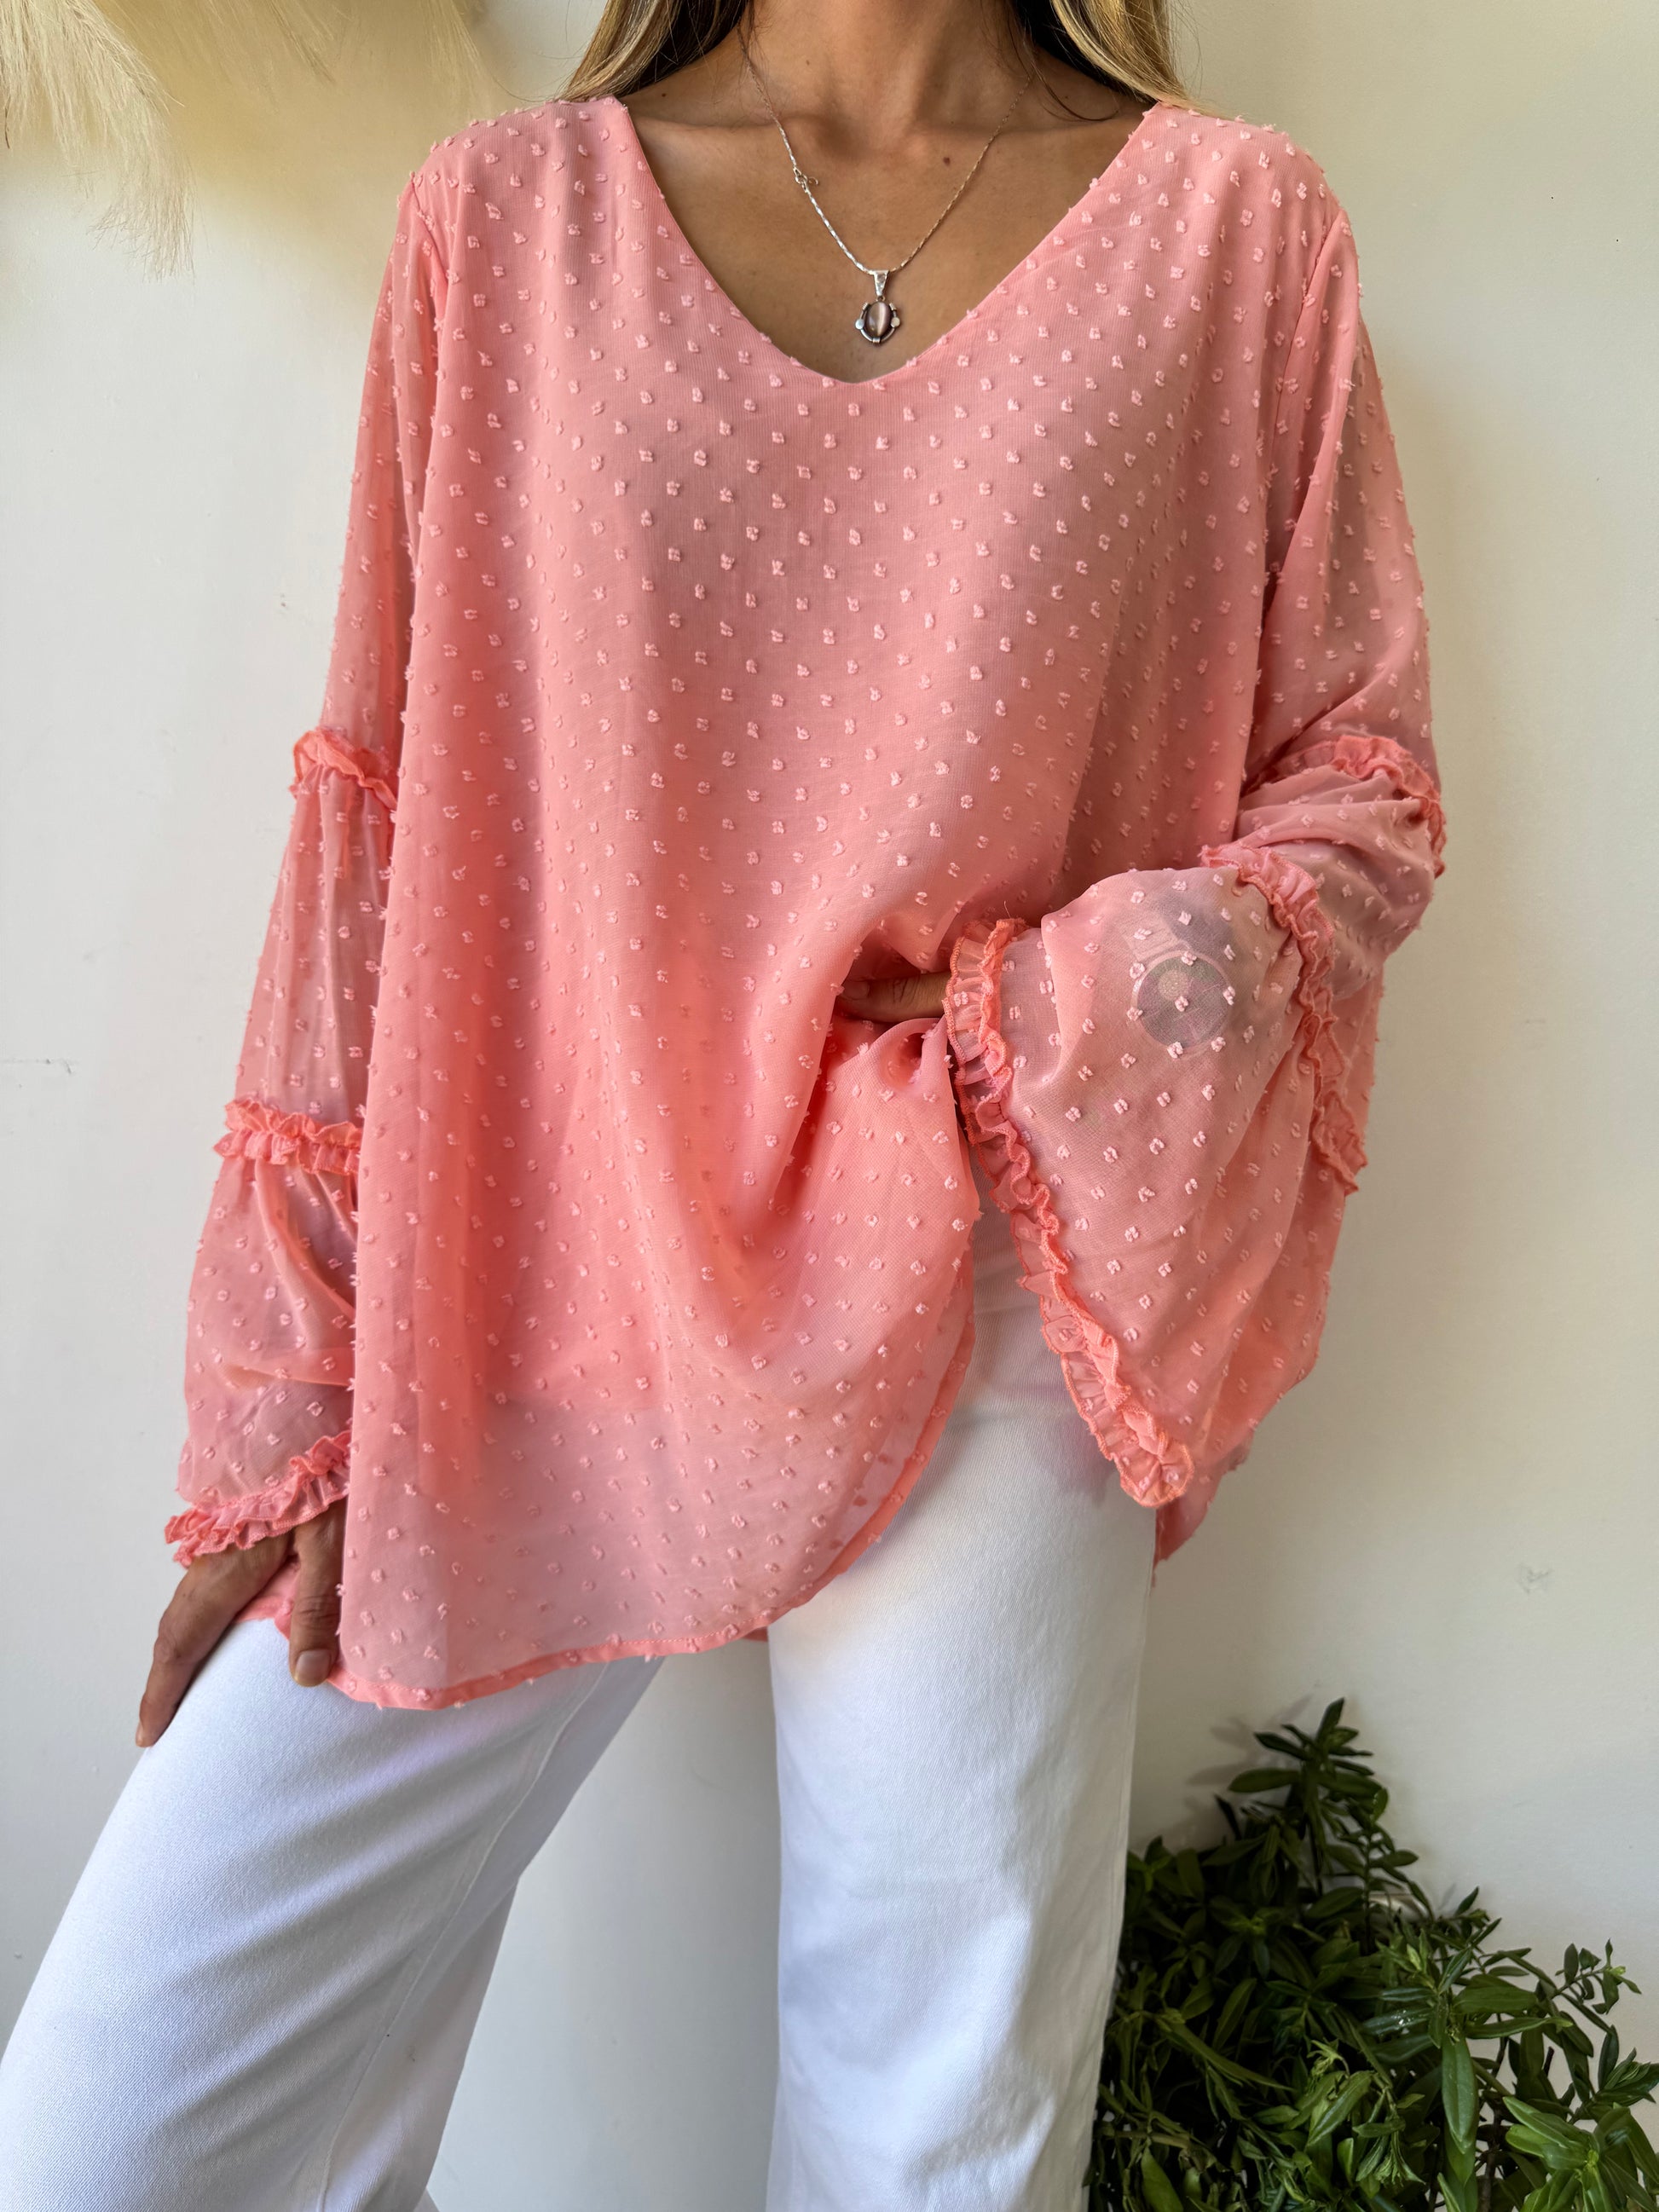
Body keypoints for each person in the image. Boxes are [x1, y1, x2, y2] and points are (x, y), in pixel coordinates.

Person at [0, 0, 1445, 2205]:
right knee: (103, 2137)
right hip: (538, 1248)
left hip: (996, 1244)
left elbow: (1359, 787)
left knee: (931, 2157)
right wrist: (292, 1399)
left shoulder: (1233, 238)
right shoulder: (509, 224)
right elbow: (379, 818)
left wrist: (1051, 1010)